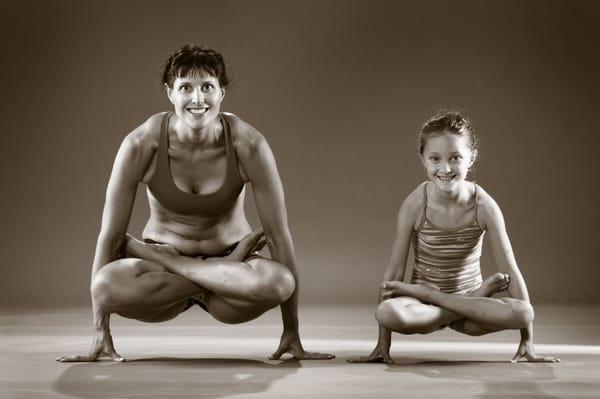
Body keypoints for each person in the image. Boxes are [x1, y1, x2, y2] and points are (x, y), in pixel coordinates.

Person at [57, 45, 334, 362]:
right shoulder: (141, 144)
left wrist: (292, 333)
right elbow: (109, 236)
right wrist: (99, 333)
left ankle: (199, 270)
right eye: (186, 87)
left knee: (280, 281)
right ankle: (198, 274)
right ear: (170, 92)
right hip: (163, 278)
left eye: (207, 88)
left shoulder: (249, 144)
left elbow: (279, 238)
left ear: (222, 92)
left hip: (229, 275)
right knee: (105, 286)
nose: (198, 99)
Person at [348, 110, 559, 363]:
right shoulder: (416, 204)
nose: (445, 168)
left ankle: (449, 297)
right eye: (435, 158)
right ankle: (459, 299)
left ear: (472, 158)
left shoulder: (484, 206)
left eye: (455, 157)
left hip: (471, 313)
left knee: (524, 312)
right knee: (386, 312)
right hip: (422, 309)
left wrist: (528, 342)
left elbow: (510, 270)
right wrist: (382, 344)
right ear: (423, 159)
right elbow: (393, 275)